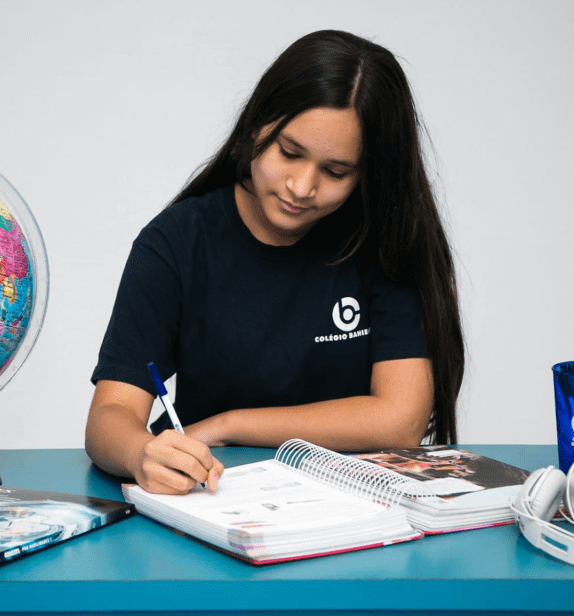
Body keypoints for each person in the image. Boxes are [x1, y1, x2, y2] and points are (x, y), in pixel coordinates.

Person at [85, 30, 464, 496]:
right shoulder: (176, 241)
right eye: (289, 152)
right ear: (256, 125)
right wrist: (139, 454)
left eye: (335, 172)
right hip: (213, 504)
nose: (302, 187)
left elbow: (400, 420)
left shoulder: (383, 245)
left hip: (351, 513)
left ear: (368, 173)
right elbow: (109, 417)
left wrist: (228, 424)